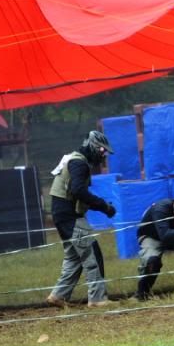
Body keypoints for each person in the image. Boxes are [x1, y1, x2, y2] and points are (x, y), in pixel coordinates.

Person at [46, 130, 117, 308]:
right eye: (102, 151)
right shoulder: (79, 163)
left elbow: (75, 191)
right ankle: (98, 299)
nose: (103, 156)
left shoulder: (74, 159)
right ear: (93, 147)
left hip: (61, 215)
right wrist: (104, 206)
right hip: (69, 216)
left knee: (74, 256)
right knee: (92, 253)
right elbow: (78, 190)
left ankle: (58, 295)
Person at [135, 197, 174, 300]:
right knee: (152, 262)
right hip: (152, 236)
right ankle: (142, 293)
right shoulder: (161, 209)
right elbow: (165, 236)